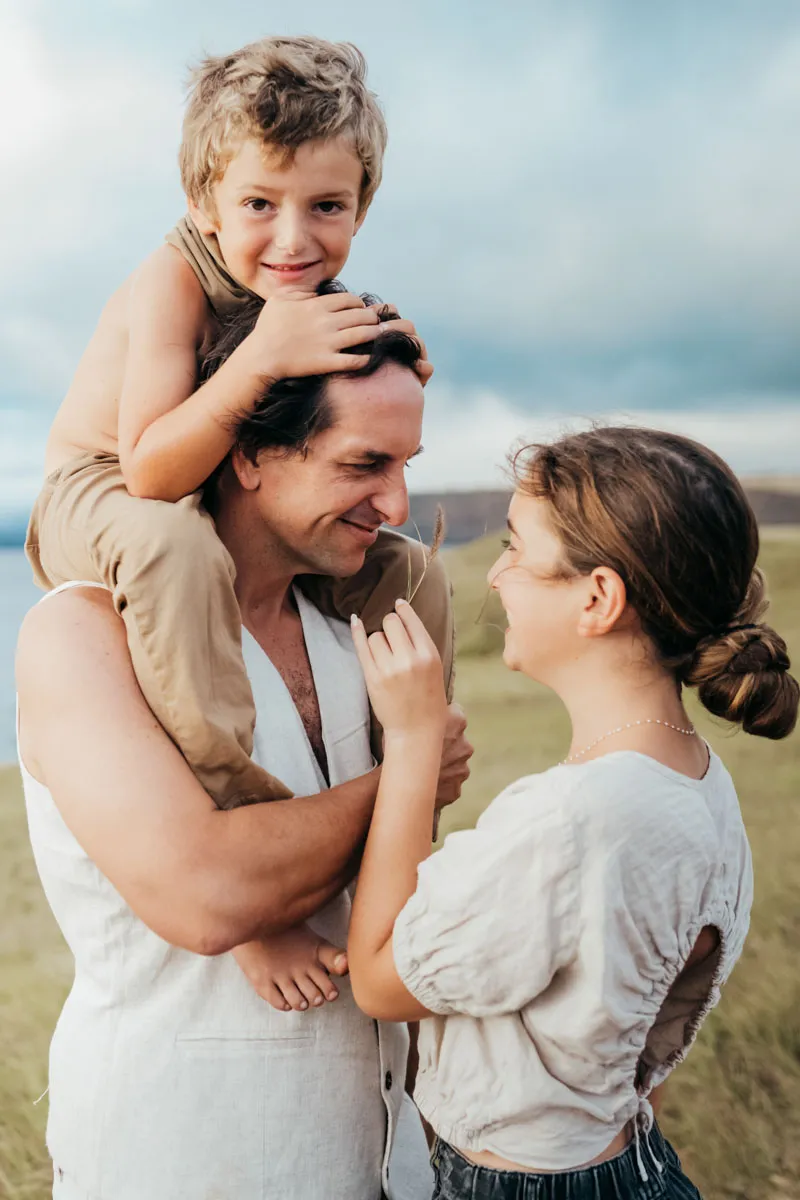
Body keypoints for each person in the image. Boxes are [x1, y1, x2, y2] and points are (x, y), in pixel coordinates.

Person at [16, 321, 472, 1200]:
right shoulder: (82, 633)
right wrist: (409, 770)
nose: (397, 504)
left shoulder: (362, 631)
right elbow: (208, 895)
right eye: (363, 464)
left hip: (390, 1162)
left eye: (407, 464)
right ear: (249, 454)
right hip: (183, 1158)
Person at [346, 427, 799, 1199]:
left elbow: (380, 982)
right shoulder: (699, 780)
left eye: (517, 550)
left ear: (597, 599)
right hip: (632, 1167)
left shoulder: (577, 816)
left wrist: (415, 740)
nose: (495, 577)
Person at [25, 34, 437, 813]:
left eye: (326, 207)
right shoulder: (172, 282)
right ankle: (236, 791)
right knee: (176, 546)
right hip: (100, 491)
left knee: (408, 569)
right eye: (258, 204)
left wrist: (398, 351)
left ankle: (410, 772)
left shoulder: (299, 284)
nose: (294, 240)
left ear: (362, 205)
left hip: (188, 483)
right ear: (201, 203)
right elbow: (149, 475)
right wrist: (259, 362)